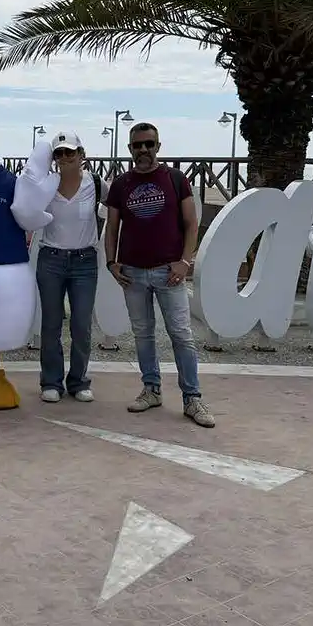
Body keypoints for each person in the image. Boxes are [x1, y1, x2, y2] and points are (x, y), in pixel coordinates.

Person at [104, 122, 215, 427]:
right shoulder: (121, 184)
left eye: (149, 144)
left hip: (170, 273)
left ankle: (192, 398)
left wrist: (185, 262)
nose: (143, 150)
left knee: (181, 335)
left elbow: (191, 224)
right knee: (143, 334)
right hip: (133, 273)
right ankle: (151, 389)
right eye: (137, 145)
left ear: (158, 147)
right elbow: (112, 227)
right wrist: (111, 263)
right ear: (130, 149)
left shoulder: (175, 179)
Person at [37, 131, 105, 404]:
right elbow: (24, 209)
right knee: (51, 324)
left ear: (81, 154)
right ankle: (51, 381)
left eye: (70, 152)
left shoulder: (96, 183)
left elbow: (120, 207)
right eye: (59, 153)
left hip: (84, 262)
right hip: (51, 260)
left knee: (81, 324)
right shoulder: (46, 185)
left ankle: (78, 381)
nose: (65, 157)